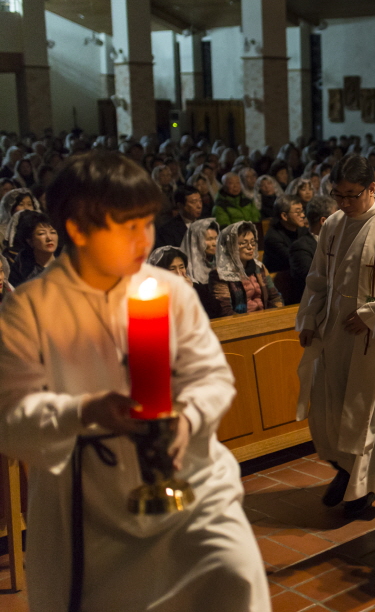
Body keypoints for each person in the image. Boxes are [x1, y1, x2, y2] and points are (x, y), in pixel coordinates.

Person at [0, 151, 270, 611]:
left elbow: (211, 376)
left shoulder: (171, 291)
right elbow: (9, 419)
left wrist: (187, 419)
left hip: (188, 481)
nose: (143, 240)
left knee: (234, 576)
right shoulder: (29, 308)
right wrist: (84, 411)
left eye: (146, 223)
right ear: (76, 229)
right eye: (125, 226)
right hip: (88, 501)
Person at [295, 158, 375, 516]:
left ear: (372, 189)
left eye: (351, 196)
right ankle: (345, 472)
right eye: (338, 195)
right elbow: (318, 276)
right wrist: (310, 318)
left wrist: (372, 314)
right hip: (334, 332)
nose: (343, 203)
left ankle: (361, 489)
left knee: (366, 412)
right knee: (331, 407)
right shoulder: (334, 225)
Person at [208, 222, 283, 317]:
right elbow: (225, 310)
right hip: (239, 325)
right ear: (230, 246)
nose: (250, 247)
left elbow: (275, 297)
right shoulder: (220, 273)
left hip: (265, 318)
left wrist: (274, 316)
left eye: (252, 242)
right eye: (244, 243)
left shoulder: (259, 267)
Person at [288, 195, 337, 304]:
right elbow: (313, 281)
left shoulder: (338, 241)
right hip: (312, 305)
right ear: (324, 221)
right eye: (337, 218)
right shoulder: (300, 248)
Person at [183, 218, 221, 317]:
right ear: (196, 241)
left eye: (216, 238)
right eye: (209, 239)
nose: (214, 243)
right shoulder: (185, 269)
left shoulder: (221, 264)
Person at [8, 210, 59, 287]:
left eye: (53, 232)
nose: (49, 238)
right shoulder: (21, 267)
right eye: (41, 233)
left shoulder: (68, 259)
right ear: (30, 241)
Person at [262, 194, 309, 274]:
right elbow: (295, 259)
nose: (303, 215)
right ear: (284, 216)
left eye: (302, 211)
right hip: (280, 280)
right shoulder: (273, 238)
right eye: (298, 212)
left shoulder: (303, 230)